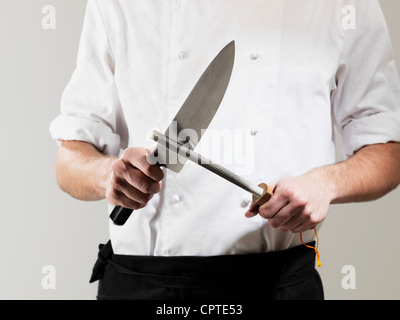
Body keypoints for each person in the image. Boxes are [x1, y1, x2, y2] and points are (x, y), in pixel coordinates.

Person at [50, 0, 400, 300]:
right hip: (143, 284)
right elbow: (70, 160)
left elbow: (388, 150)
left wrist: (326, 184)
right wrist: (108, 176)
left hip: (274, 285)